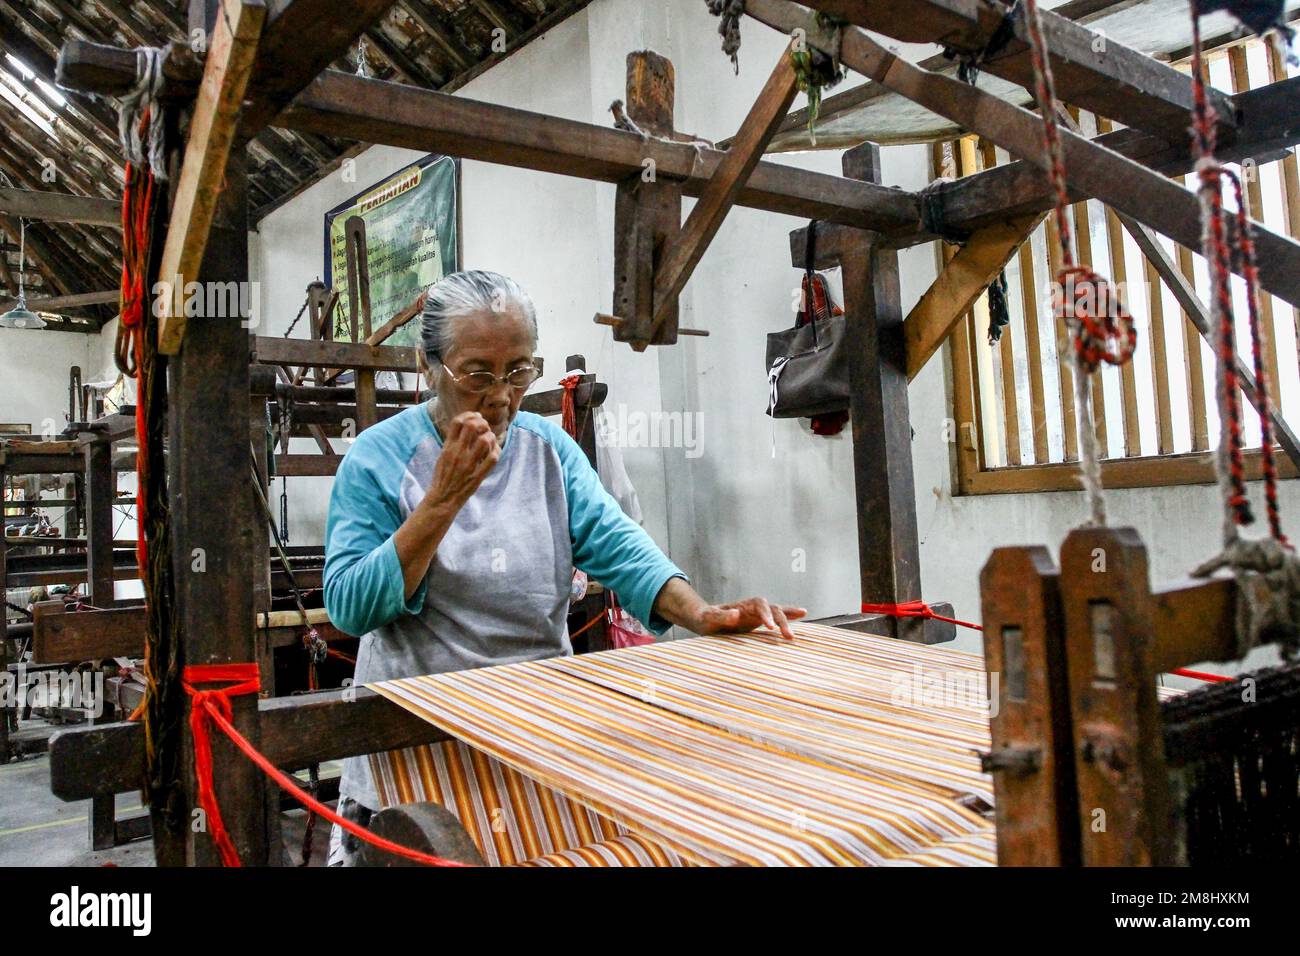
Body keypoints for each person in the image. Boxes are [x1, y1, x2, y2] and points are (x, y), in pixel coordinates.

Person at [322, 269, 806, 864]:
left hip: (535, 735)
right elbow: (348, 606)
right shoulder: (379, 456)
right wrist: (443, 499)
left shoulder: (547, 451)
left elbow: (619, 545)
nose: (501, 394)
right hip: (417, 745)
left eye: (520, 370)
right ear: (429, 367)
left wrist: (701, 612)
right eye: (477, 373)